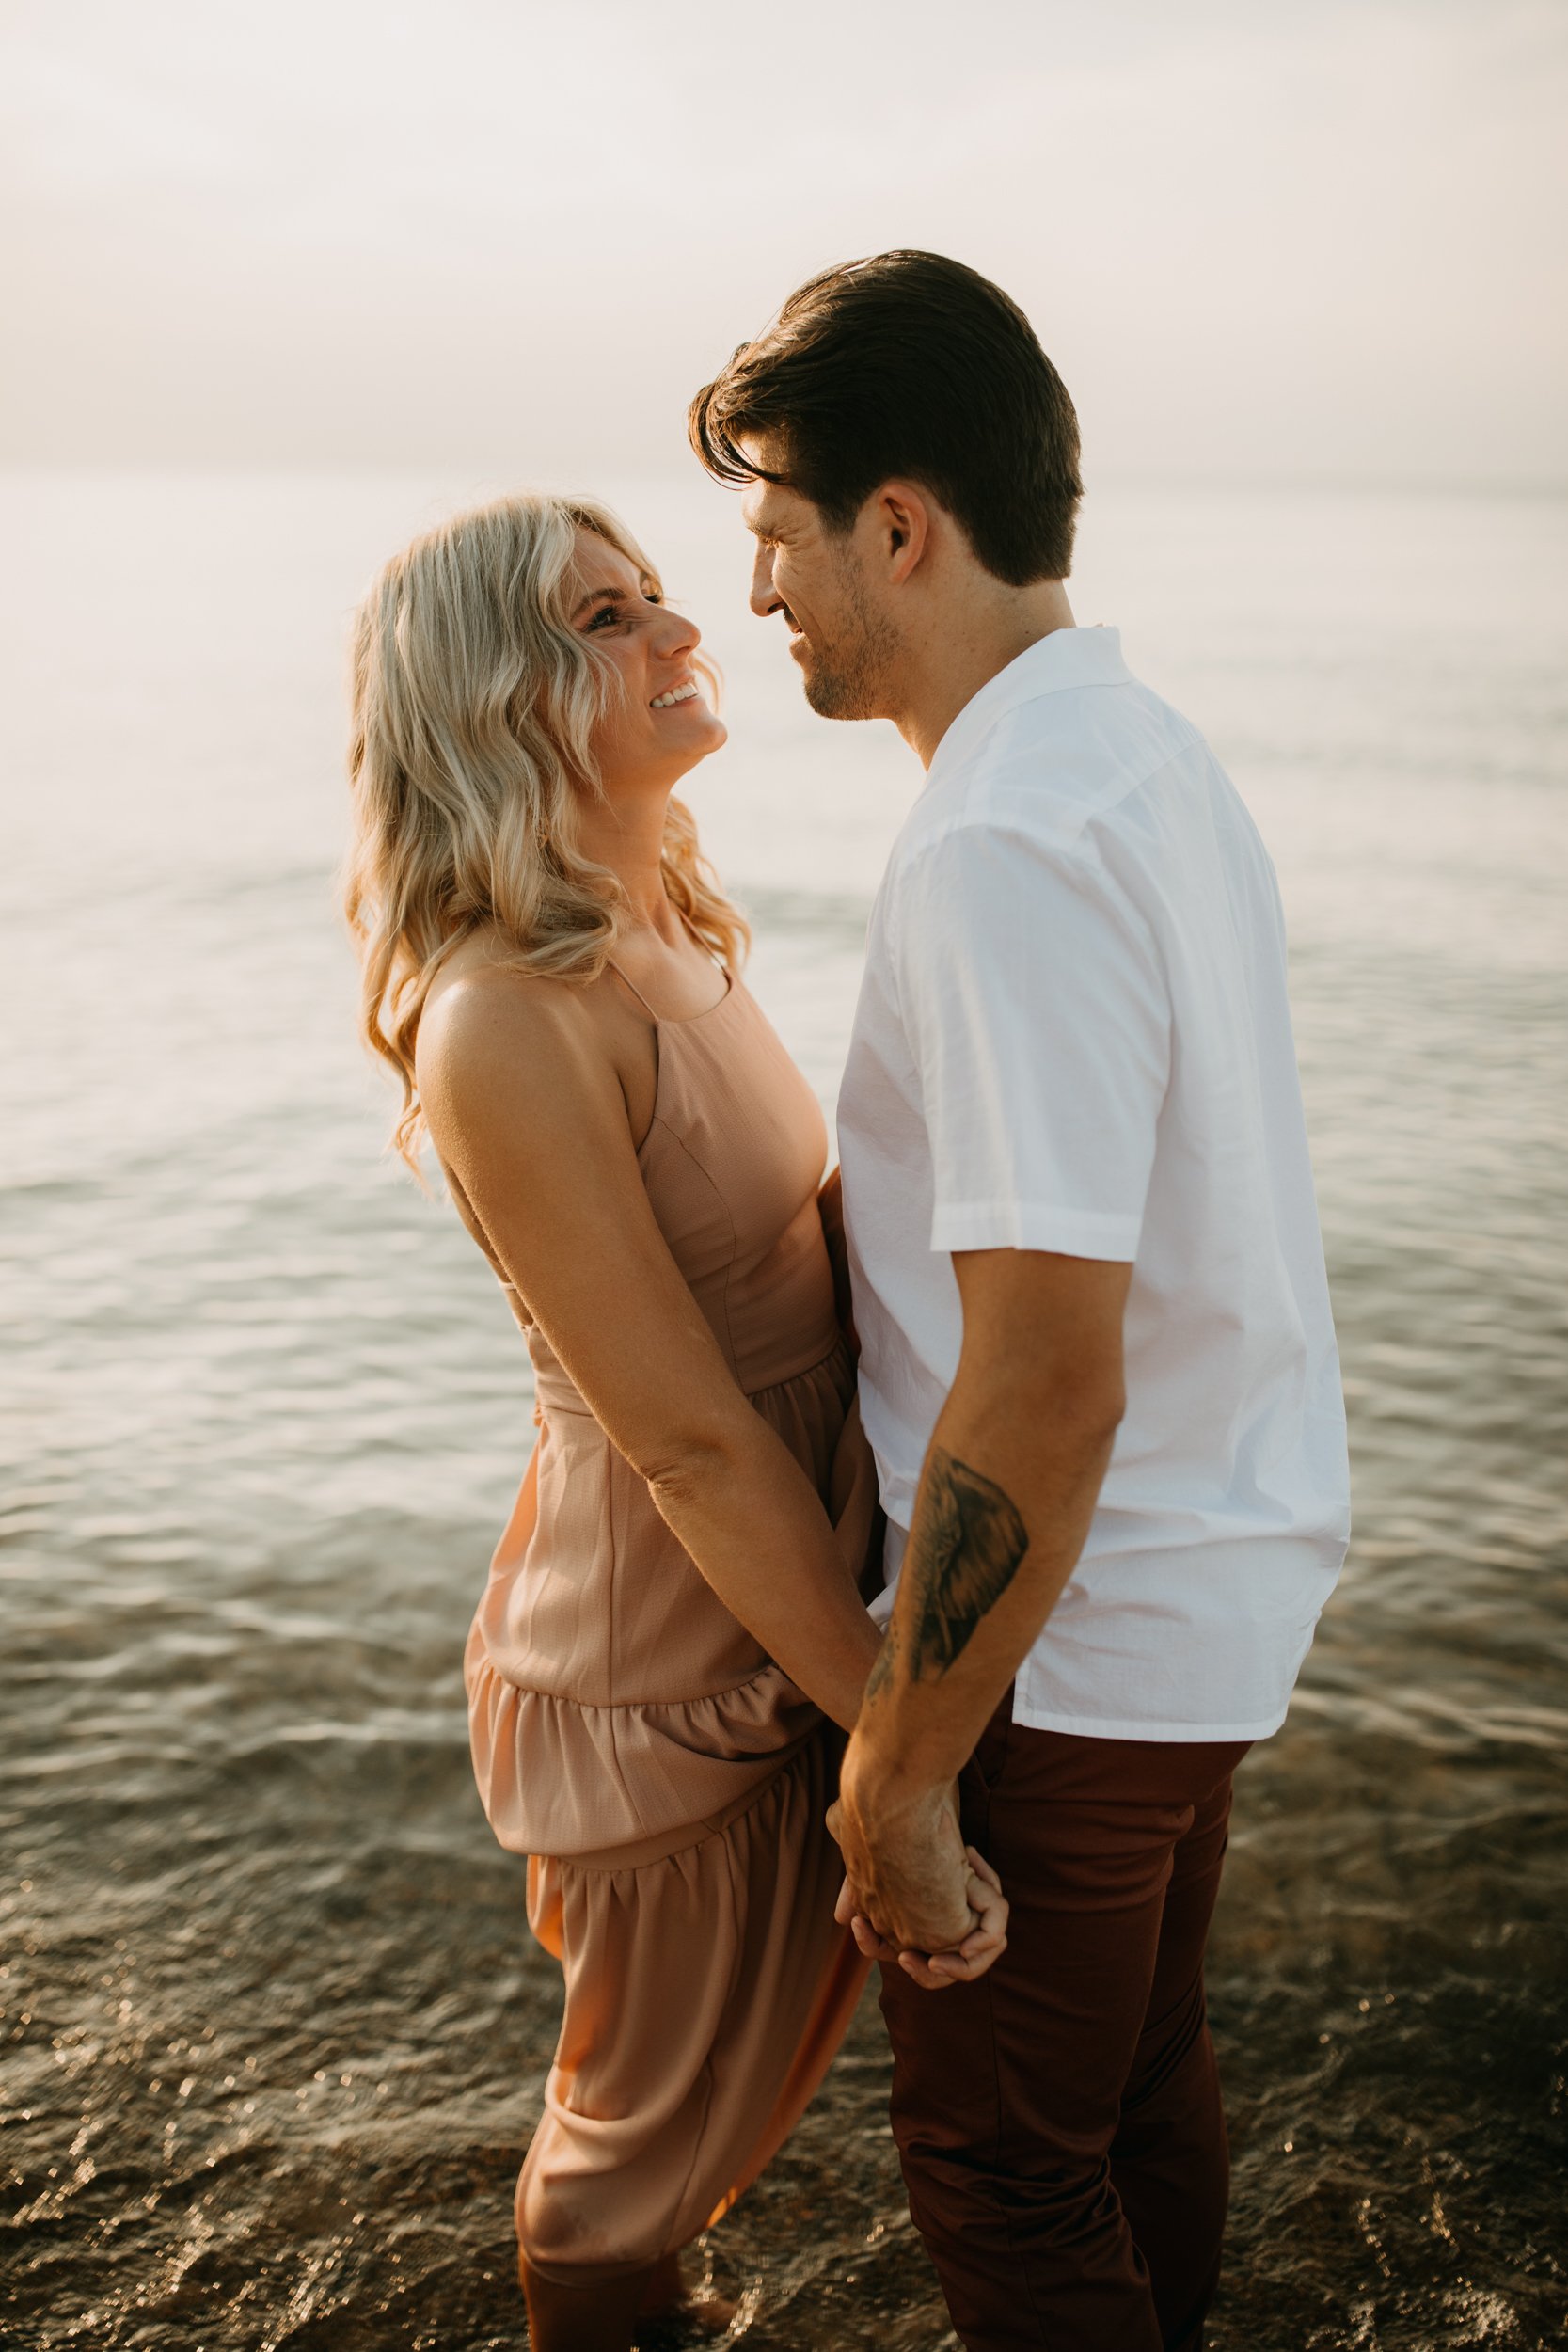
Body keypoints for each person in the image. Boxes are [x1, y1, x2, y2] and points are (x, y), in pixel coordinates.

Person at [689, 251, 1353, 2351]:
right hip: (1197, 1598)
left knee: (1001, 2166)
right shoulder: (1144, 758)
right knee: (1136, 2099)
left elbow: (1045, 1373)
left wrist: (898, 1761)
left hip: (1073, 1651)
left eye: (777, 533)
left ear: (900, 521)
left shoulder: (1004, 840)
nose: (762, 592)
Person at [341, 491, 1006, 2352]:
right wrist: (905, 1741)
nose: (681, 630)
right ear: (502, 698)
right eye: (608, 618)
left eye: (654, 596)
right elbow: (693, 1441)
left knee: (701, 2127)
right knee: (628, 2154)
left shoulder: (659, 924)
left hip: (797, 1597)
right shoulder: (506, 1020)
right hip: (674, 1656)